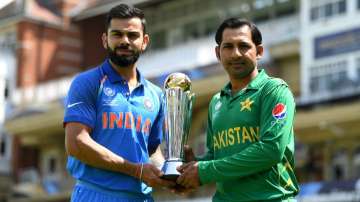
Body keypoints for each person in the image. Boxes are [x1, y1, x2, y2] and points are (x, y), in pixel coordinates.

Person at [176, 18, 299, 201]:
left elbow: (271, 149)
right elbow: (217, 155)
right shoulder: (216, 101)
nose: (236, 54)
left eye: (243, 46)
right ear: (218, 53)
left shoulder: (273, 90)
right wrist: (194, 166)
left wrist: (203, 171)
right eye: (228, 47)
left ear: (259, 51)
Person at [64, 4, 174, 202]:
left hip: (141, 197)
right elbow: (76, 143)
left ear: (144, 41)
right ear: (105, 40)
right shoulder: (87, 82)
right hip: (95, 194)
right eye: (117, 34)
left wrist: (169, 174)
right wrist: (136, 170)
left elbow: (151, 151)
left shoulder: (156, 95)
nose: (125, 41)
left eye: (132, 35)